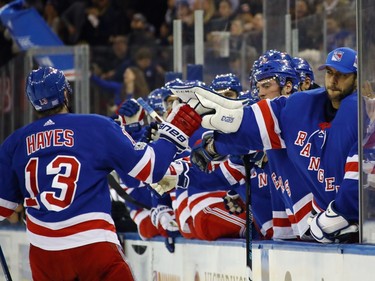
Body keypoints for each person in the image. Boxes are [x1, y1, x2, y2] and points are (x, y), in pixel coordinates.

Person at [0, 66, 202, 280]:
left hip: (44, 254)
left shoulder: (14, 142)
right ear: (66, 93)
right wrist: (176, 130)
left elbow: (3, 208)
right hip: (92, 245)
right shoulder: (95, 126)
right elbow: (150, 169)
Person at [171, 46, 359, 243]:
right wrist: (214, 146)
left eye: (342, 75)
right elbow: (246, 123)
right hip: (307, 228)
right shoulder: (299, 107)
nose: (334, 80)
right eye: (330, 73)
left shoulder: (360, 113)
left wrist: (341, 210)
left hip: (347, 226)